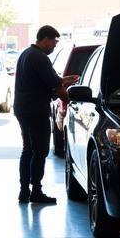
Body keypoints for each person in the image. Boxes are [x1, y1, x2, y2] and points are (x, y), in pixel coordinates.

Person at [13, 25, 76, 204]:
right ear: (45, 39)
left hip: (23, 109)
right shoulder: (40, 58)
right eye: (54, 42)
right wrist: (71, 100)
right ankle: (36, 191)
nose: (54, 46)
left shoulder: (26, 54)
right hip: (36, 110)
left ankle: (24, 191)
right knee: (40, 151)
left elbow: (47, 81)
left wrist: (65, 80)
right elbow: (55, 86)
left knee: (28, 149)